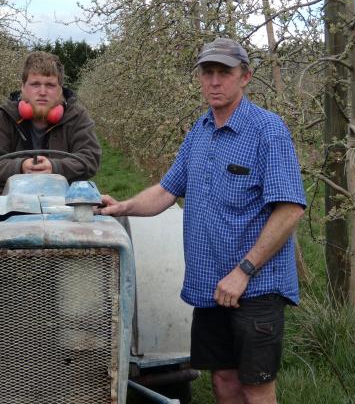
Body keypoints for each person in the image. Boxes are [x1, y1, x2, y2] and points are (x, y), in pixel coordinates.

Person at [99, 38, 306, 404]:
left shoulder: (267, 132)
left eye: (223, 73)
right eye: (207, 73)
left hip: (255, 287)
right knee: (223, 379)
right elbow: (166, 191)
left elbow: (290, 209)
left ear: (245, 77)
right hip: (211, 284)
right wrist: (122, 207)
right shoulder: (200, 130)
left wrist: (243, 271)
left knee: (256, 386)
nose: (214, 81)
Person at [0, 51, 101, 192]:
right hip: (12, 204)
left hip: (65, 202)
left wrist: (54, 167)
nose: (42, 92)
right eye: (35, 84)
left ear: (61, 89)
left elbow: (90, 159)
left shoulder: (76, 116)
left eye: (50, 85)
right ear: (23, 87)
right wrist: (21, 167)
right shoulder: (5, 116)